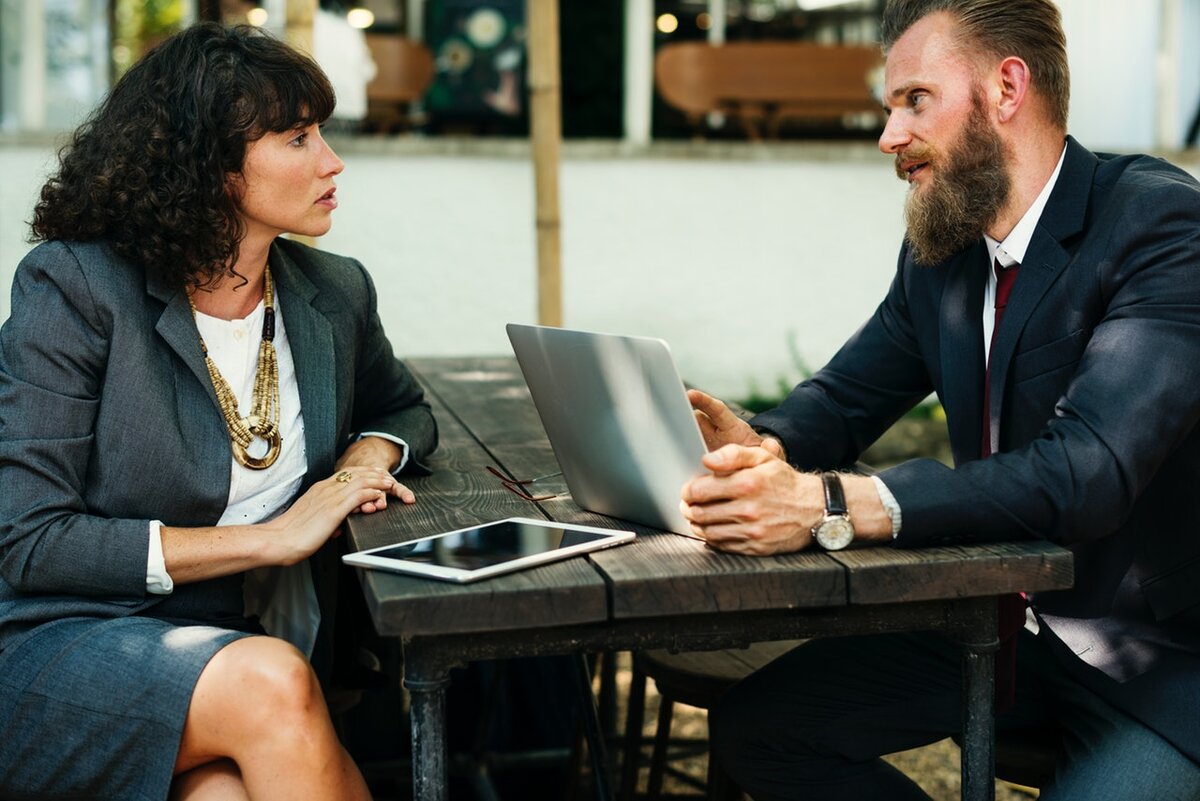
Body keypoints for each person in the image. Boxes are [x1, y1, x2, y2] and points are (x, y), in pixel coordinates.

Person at [679, 1, 1200, 798]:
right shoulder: (945, 246)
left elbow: (1086, 472)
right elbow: (847, 398)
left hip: (1156, 664)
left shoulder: (1160, 225)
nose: (888, 137)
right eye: (890, 107)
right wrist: (757, 441)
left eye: (913, 100)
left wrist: (833, 503)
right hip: (997, 626)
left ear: (1006, 87)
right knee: (761, 730)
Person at [0, 23, 437, 801]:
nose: (332, 161)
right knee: (273, 684)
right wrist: (267, 540)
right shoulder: (73, 288)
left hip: (236, 653)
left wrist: (365, 461)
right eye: (298, 137)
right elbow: (31, 541)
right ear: (208, 162)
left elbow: (400, 405)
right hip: (64, 638)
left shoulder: (332, 291)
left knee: (225, 795)